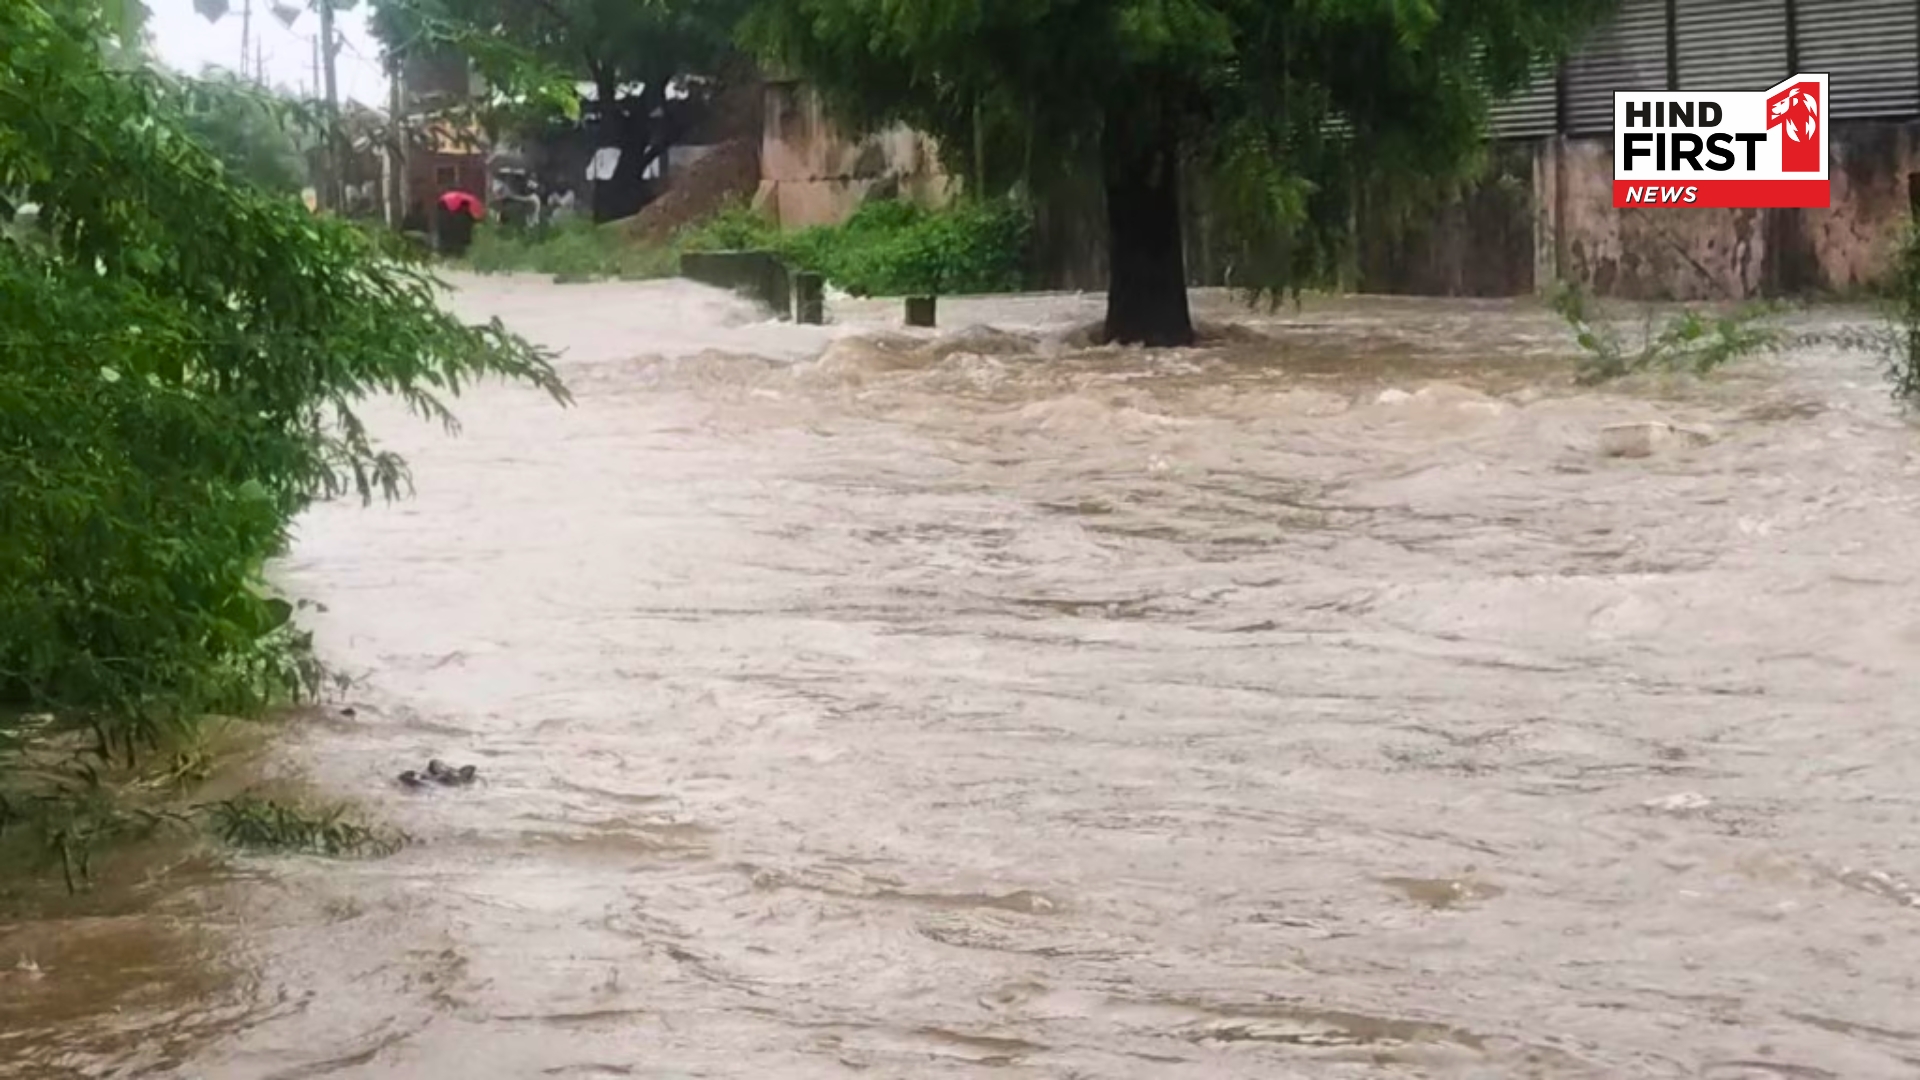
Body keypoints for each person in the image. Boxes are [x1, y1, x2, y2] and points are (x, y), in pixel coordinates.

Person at [431, 189, 484, 257]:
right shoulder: (466, 214)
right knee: (459, 254)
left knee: (446, 253)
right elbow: (474, 221)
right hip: (460, 239)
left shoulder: (444, 211)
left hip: (446, 237)